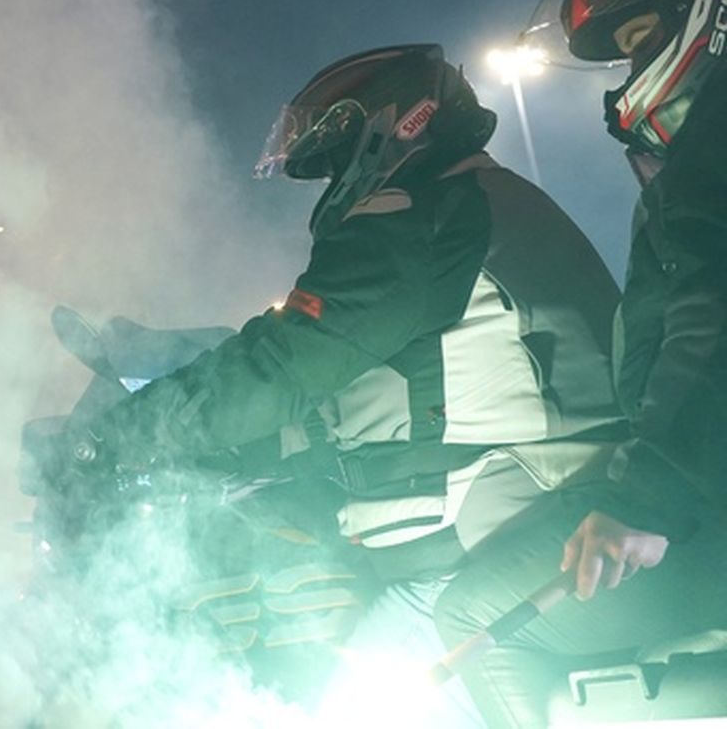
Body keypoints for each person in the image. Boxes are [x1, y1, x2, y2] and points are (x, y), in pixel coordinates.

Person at [88, 44, 626, 724]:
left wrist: (118, 436)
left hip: (495, 537)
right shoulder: (475, 202)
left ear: (396, 124)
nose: (335, 180)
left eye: (337, 159)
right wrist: (220, 449)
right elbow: (351, 403)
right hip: (526, 519)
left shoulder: (422, 214)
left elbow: (288, 362)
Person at [433, 0, 727, 727]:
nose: (634, 66)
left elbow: (712, 312)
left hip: (702, 495)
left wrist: (649, 495)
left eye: (643, 35)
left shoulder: (713, 139)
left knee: (474, 616)